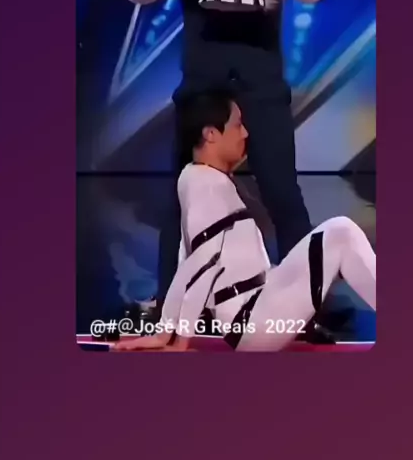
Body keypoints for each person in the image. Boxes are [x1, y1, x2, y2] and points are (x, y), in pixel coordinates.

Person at [124, 0, 327, 336]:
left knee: (282, 193)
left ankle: (303, 314)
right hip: (203, 86)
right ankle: (169, 310)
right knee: (182, 196)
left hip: (262, 83)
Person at [114, 91, 376, 353]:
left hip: (259, 305)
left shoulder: (200, 178)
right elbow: (201, 266)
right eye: (237, 125)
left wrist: (166, 331)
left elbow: (186, 265)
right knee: (341, 233)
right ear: (211, 134)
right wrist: (178, 340)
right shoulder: (206, 184)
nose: (245, 133)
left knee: (338, 237)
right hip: (252, 319)